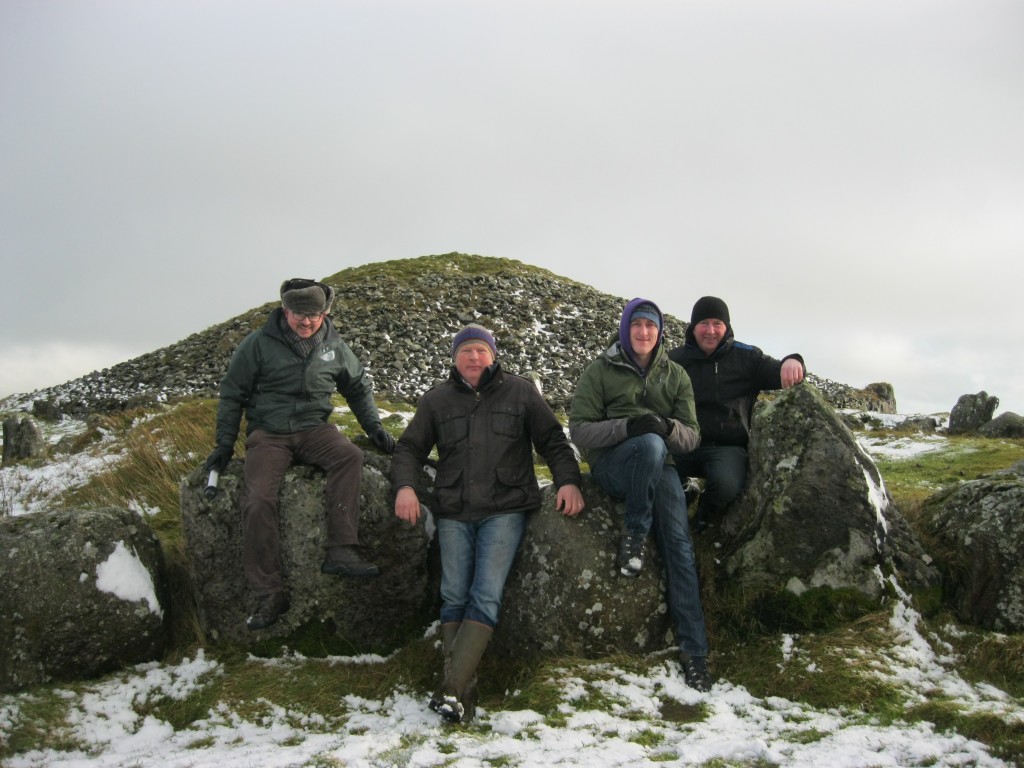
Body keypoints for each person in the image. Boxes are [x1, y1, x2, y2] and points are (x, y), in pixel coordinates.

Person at [391, 324, 585, 724]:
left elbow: (552, 440)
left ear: (493, 355)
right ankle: (462, 694)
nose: (474, 357)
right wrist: (405, 487)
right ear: (454, 358)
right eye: (466, 351)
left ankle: (449, 688)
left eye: (481, 350)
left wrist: (568, 480)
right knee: (453, 596)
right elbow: (409, 448)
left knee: (485, 594)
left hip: (505, 509)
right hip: (454, 511)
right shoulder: (436, 401)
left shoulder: (521, 392)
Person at [204, 277, 397, 632]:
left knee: (350, 457)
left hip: (314, 429)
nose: (306, 322)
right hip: (269, 434)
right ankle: (269, 592)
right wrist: (223, 446)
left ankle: (341, 550)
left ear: (325, 313)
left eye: (314, 315)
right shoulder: (258, 344)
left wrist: (375, 430)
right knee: (258, 499)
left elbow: (357, 387)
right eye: (298, 314)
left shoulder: (334, 346)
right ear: (285, 310)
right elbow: (232, 394)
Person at [569, 298, 712, 692]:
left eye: (651, 326)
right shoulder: (600, 370)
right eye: (637, 325)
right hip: (613, 465)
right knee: (647, 444)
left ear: (660, 331)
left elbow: (692, 435)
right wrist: (628, 427)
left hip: (661, 467)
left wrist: (665, 427)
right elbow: (579, 430)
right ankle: (635, 532)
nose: (644, 333)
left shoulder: (675, 374)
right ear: (625, 328)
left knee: (679, 546)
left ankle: (695, 654)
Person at [667, 296, 805, 530]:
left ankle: (707, 510)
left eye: (717, 324)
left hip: (727, 447)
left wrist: (793, 360)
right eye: (703, 323)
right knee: (656, 467)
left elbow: (778, 371)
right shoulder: (674, 360)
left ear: (726, 327)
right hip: (684, 441)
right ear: (693, 328)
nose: (710, 330)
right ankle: (685, 489)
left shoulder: (747, 357)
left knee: (726, 485)